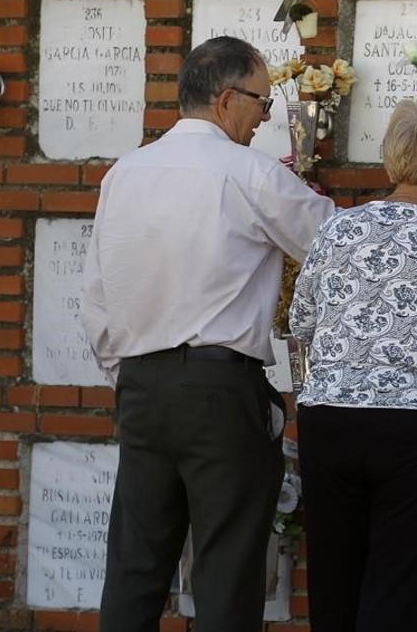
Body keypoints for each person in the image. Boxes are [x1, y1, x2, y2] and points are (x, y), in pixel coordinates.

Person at [81, 36, 335, 632]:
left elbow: (95, 296)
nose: (264, 119)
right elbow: (337, 247)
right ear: (226, 100)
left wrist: (132, 374)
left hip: (141, 387)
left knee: (134, 570)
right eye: (261, 104)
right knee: (226, 572)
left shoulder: (125, 174)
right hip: (221, 391)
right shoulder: (248, 172)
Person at [289, 95, 417, 631]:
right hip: (416, 427)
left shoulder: (337, 230)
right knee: (396, 595)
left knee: (333, 589)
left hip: (330, 418)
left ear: (389, 163)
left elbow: (302, 322)